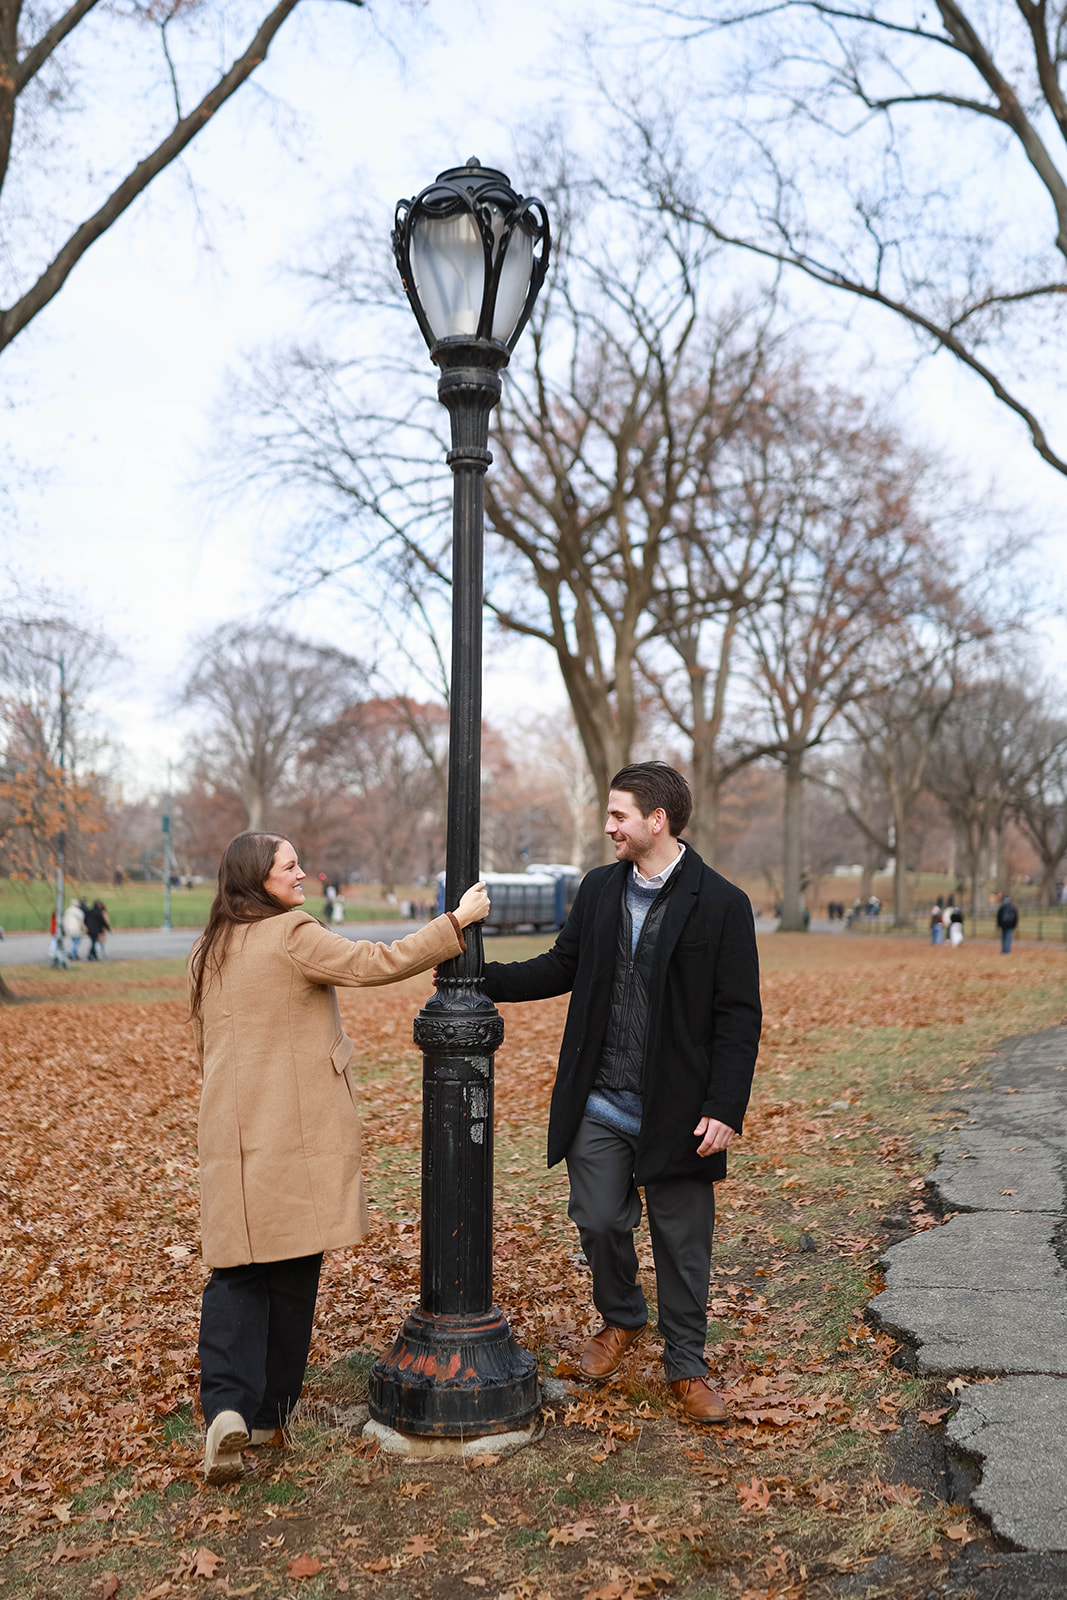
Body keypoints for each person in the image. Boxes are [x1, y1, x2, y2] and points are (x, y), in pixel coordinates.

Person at [187, 830, 489, 1485]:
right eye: (289, 867)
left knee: (237, 1268)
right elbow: (370, 962)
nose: (302, 875)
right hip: (292, 1129)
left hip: (230, 1130)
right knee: (293, 1265)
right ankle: (267, 1411)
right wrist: (456, 923)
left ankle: (230, 1413)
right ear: (258, 880)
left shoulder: (208, 947)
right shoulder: (291, 934)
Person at [481, 763, 761, 1425]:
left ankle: (686, 1365)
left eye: (617, 816)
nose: (608, 827)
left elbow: (737, 1015)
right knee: (599, 1219)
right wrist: (480, 978)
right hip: (599, 1099)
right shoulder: (600, 889)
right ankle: (622, 1318)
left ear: (655, 821)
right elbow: (562, 966)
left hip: (681, 1109)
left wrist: (724, 1107)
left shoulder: (720, 903)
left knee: (682, 1243)